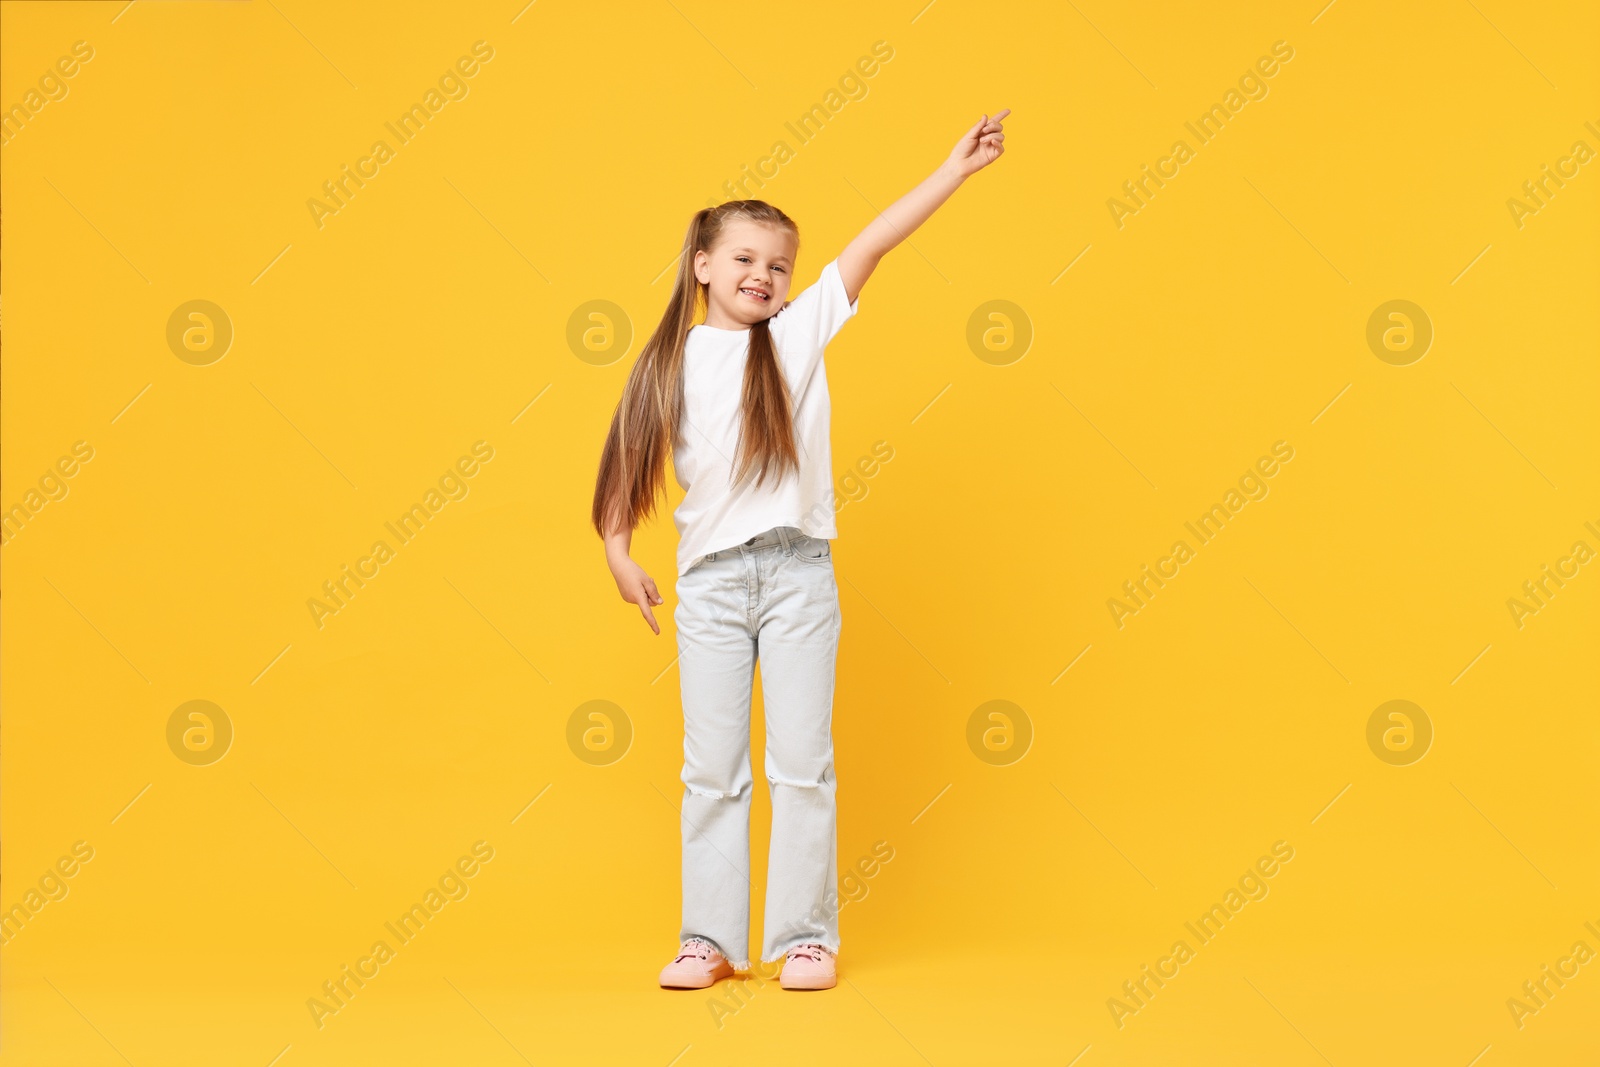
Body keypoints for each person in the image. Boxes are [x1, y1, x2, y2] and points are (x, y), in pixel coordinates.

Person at [591, 109, 1011, 991]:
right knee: (710, 769)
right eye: (744, 258)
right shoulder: (670, 363)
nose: (763, 274)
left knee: (801, 763)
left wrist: (952, 171)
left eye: (777, 264)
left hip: (796, 578)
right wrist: (618, 548)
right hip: (708, 588)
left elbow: (872, 244)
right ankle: (707, 939)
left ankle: (806, 936)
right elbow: (628, 458)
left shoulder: (794, 338)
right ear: (702, 265)